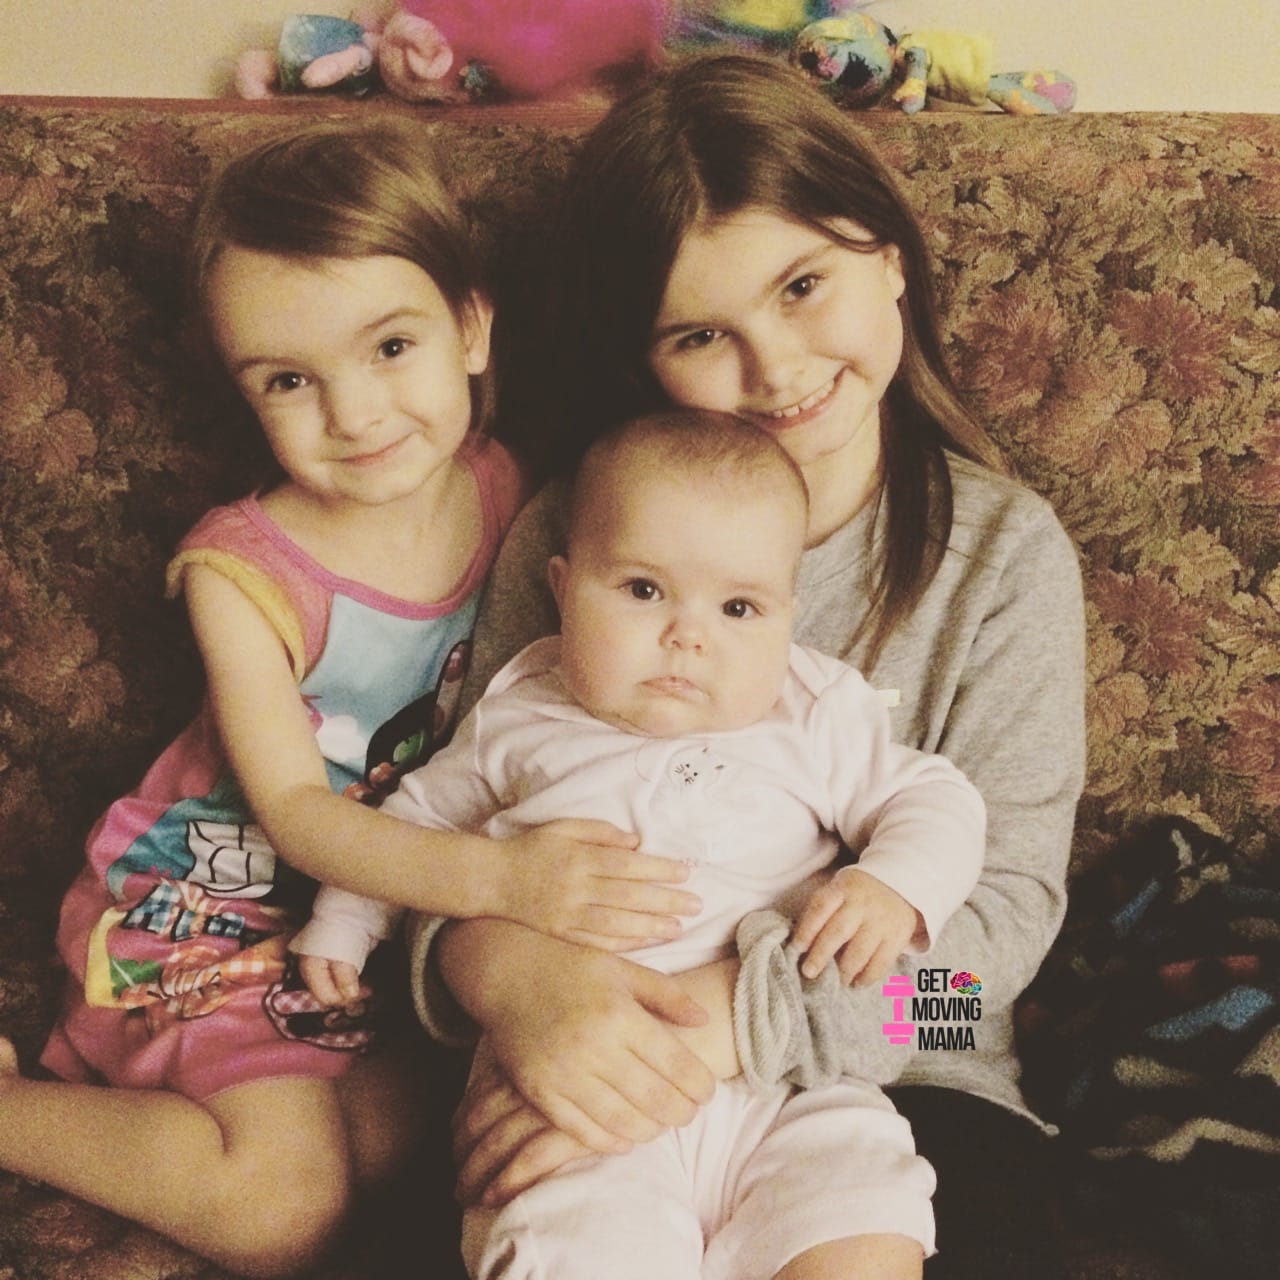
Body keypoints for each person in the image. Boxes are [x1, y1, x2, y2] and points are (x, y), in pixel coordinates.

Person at [424, 52, 1087, 1279]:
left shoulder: (1003, 558)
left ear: (889, 255)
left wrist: (752, 1019)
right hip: (590, 1045)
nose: (774, 366)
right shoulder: (574, 534)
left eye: (801, 285)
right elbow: (466, 808)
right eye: (700, 334)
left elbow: (1003, 933)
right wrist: (498, 972)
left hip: (912, 1061)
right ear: (646, 362)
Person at [0, 120, 699, 1279]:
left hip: (365, 930)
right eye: (289, 379)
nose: (355, 412)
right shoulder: (239, 572)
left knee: (436, 1146)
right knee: (286, 1209)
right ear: (244, 389)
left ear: (470, 328)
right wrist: (503, 879)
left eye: (388, 347)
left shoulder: (517, 492)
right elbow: (292, 809)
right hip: (208, 902)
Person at [300, 409, 986, 1279]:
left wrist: (897, 883)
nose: (688, 635)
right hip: (572, 1085)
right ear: (562, 584)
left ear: (788, 616)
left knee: (861, 1221)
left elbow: (940, 810)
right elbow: (414, 828)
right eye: (642, 590)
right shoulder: (522, 711)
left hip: (797, 1084)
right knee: (575, 1246)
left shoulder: (814, 710)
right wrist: (349, 920)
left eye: (739, 607)